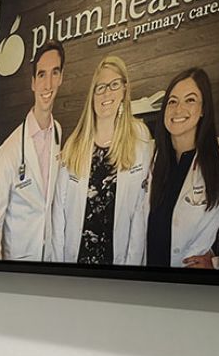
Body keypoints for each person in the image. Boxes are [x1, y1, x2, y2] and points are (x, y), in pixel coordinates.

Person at [47, 55, 153, 265]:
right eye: (100, 87)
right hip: (77, 258)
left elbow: (141, 213)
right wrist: (58, 266)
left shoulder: (139, 139)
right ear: (92, 95)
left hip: (117, 261)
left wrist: (132, 268)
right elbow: (59, 213)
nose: (107, 93)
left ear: (124, 89)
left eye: (114, 85)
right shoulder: (74, 144)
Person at [145, 67, 219, 269]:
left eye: (190, 100)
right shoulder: (149, 154)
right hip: (145, 278)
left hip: (190, 282)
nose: (178, 110)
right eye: (172, 101)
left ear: (203, 108)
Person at [0, 42, 65, 261]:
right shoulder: (8, 151)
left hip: (49, 259)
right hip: (17, 264)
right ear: (33, 83)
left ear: (61, 77)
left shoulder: (58, 131)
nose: (48, 84)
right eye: (41, 75)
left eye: (54, 73)